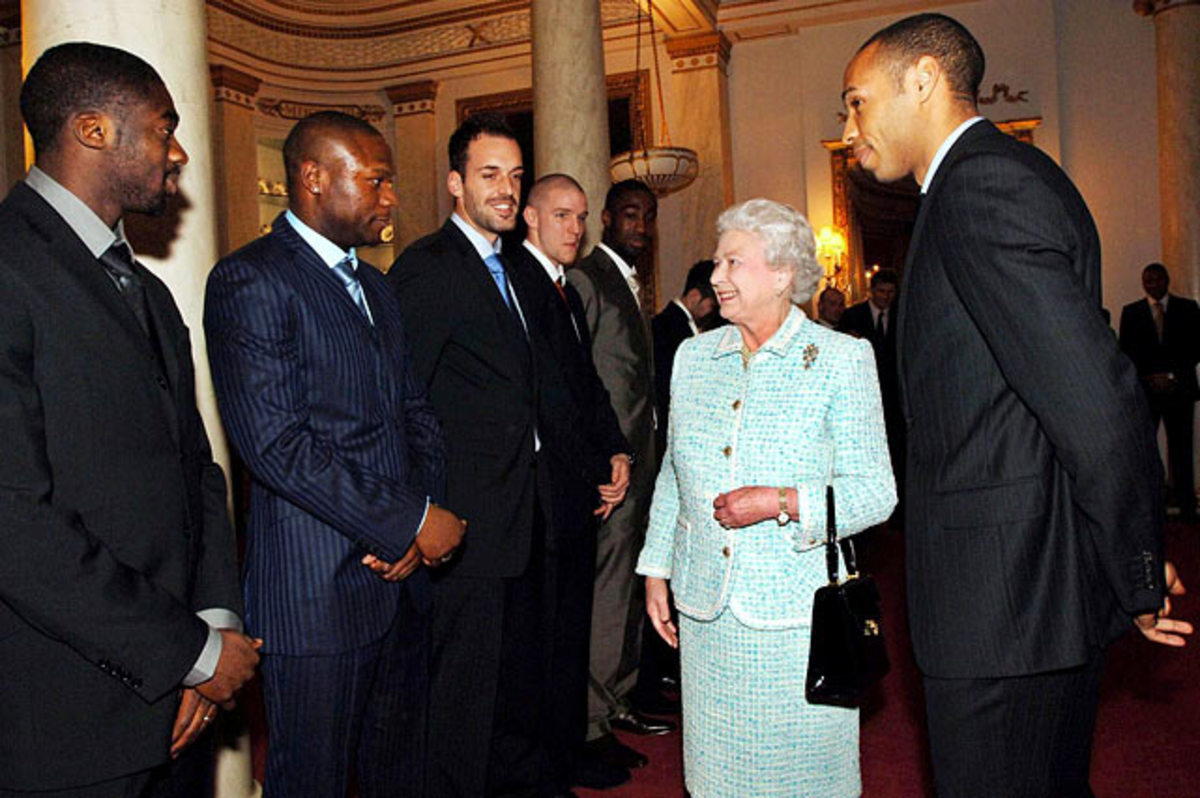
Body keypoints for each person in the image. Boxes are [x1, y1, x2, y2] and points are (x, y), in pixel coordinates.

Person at [841, 14, 1192, 797]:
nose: (850, 127)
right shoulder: (989, 181)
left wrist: (1133, 565)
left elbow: (1094, 400)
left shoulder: (981, 187)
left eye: (858, 102)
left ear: (923, 79)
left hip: (1005, 610)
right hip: (1018, 596)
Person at [0, 42, 258, 795]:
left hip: (182, 706)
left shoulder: (143, 289)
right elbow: (15, 522)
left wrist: (215, 625)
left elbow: (195, 472)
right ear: (92, 130)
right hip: (68, 721)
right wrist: (188, 652)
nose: (177, 152)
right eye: (162, 127)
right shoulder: (8, 268)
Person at [206, 111, 462, 796]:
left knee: (396, 775)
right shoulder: (251, 280)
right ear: (314, 178)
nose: (390, 199)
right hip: (316, 594)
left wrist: (419, 521)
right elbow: (276, 446)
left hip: (399, 585)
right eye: (375, 182)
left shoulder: (377, 286)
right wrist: (407, 522)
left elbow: (416, 413)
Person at [637, 198, 896, 797]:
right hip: (707, 614)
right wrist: (655, 568)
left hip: (797, 620)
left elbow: (875, 492)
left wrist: (780, 500)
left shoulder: (841, 359)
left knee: (803, 779)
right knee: (718, 777)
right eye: (716, 262)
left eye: (733, 262)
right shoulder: (694, 357)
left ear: (782, 275)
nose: (717, 277)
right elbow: (675, 473)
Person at [390, 112, 567, 797]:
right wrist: (419, 513)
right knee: (456, 699)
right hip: (460, 525)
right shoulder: (429, 269)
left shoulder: (515, 269)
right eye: (490, 174)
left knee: (507, 689)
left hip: (520, 517)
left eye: (515, 176)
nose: (506, 188)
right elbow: (401, 399)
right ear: (455, 184)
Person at [505, 173, 635, 791]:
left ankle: (570, 753)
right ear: (530, 217)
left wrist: (615, 450)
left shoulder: (560, 285)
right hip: (546, 499)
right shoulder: (518, 281)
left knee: (570, 637)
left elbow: (588, 387)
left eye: (581, 217)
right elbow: (545, 402)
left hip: (576, 492)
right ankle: (548, 766)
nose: (574, 229)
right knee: (545, 646)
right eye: (561, 216)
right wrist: (592, 469)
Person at [568, 179, 674, 771]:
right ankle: (590, 719)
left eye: (649, 216)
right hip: (614, 467)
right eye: (630, 214)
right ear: (604, 219)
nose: (641, 225)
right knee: (608, 590)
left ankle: (620, 697)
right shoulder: (588, 278)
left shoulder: (630, 281)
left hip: (644, 460)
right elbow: (582, 382)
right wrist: (603, 459)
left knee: (635, 583)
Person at [1119, 262, 1200, 520]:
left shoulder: (1188, 309)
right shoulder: (1131, 312)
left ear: (1166, 280)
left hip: (1180, 389)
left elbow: (1195, 347)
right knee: (1144, 449)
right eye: (1147, 281)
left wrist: (1171, 375)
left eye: (1156, 280)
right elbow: (1127, 351)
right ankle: (1149, 505)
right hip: (1147, 392)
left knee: (1182, 449)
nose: (1152, 285)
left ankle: (1187, 505)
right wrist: (1150, 377)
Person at [838, 268, 903, 521]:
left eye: (890, 292)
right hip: (863, 393)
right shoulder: (853, 316)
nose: (886, 297)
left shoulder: (901, 316)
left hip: (893, 398)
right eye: (881, 292)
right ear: (871, 291)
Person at [652, 259, 717, 460]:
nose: (713, 312)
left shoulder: (667, 324)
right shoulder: (669, 328)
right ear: (695, 296)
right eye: (712, 305)